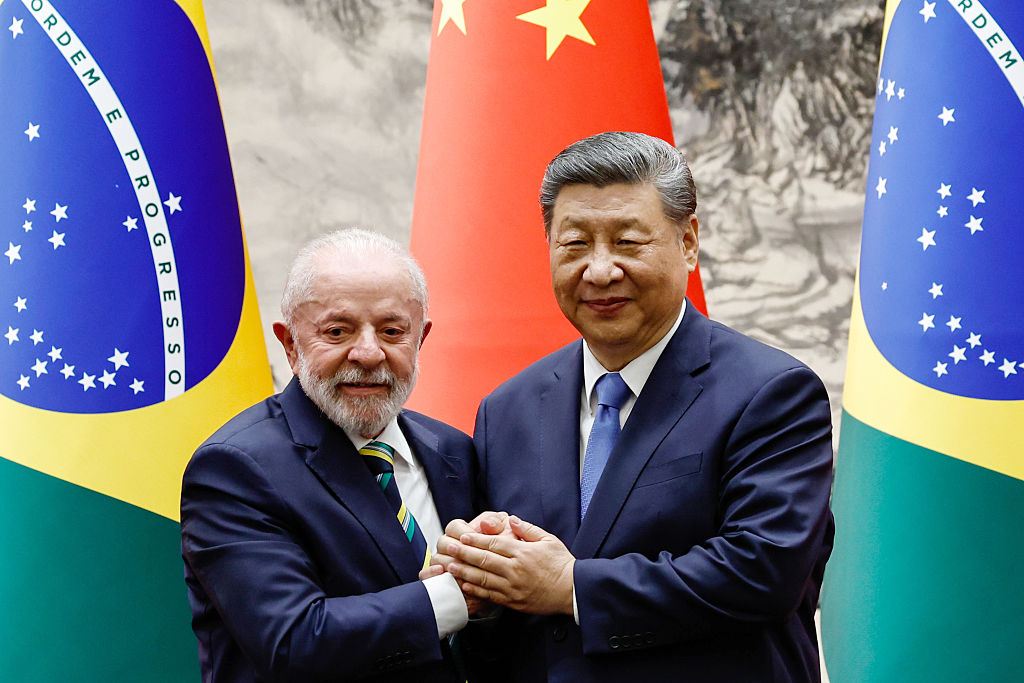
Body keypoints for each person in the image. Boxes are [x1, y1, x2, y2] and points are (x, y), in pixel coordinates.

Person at [434, 131, 835, 681]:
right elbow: (514, 621)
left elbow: (763, 571)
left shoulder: (772, 393)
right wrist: (479, 591)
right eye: (575, 244)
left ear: (688, 242)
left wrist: (571, 586)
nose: (599, 270)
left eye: (626, 241)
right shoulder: (507, 410)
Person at [180, 228, 479, 682]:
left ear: (421, 339)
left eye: (392, 331)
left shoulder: (454, 451)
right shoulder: (233, 469)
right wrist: (458, 597)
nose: (368, 353)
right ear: (290, 344)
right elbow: (294, 643)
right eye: (337, 332)